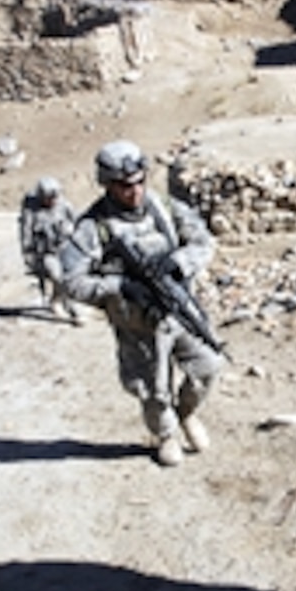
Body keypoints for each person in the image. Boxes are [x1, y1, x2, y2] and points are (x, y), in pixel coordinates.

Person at [60, 140, 224, 467]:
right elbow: (72, 282)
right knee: (153, 389)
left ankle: (186, 413)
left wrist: (179, 262)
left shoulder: (164, 206)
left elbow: (204, 242)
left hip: (179, 310)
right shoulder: (93, 228)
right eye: (124, 185)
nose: (134, 191)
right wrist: (119, 286)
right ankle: (166, 434)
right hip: (137, 324)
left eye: (139, 181)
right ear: (107, 184)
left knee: (208, 365)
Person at [19, 176, 79, 322]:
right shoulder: (32, 210)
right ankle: (72, 310)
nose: (52, 200)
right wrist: (28, 254)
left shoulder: (64, 206)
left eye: (54, 197)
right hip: (46, 252)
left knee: (70, 278)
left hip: (65, 248)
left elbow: (77, 224)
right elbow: (26, 232)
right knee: (57, 277)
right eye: (48, 197)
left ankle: (57, 300)